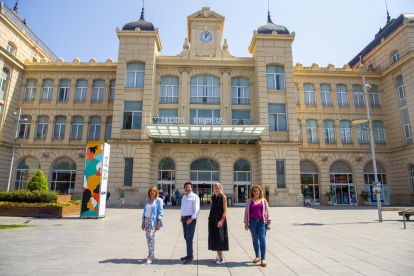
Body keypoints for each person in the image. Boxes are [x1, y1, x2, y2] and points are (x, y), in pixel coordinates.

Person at [244, 185, 271, 267]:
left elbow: (267, 211)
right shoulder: (249, 201)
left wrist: (269, 222)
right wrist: (246, 222)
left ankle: (263, 258)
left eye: (257, 190)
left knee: (262, 239)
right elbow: (246, 212)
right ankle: (257, 256)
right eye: (254, 190)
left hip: (262, 222)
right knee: (255, 239)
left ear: (260, 192)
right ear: (252, 192)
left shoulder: (264, 201)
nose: (256, 192)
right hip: (252, 222)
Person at [141, 187, 163, 264]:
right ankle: (149, 254)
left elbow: (160, 212)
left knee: (151, 237)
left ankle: (152, 256)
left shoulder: (159, 200)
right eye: (151, 191)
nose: (152, 192)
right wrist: (142, 222)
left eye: (154, 191)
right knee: (148, 239)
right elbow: (144, 211)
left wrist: (158, 223)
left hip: (153, 221)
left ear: (156, 192)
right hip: (146, 221)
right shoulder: (147, 200)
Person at [208, 183, 229, 264]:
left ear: (221, 189)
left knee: (220, 238)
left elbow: (225, 210)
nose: (217, 189)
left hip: (220, 220)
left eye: (218, 188)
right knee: (215, 237)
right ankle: (218, 255)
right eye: (216, 188)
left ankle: (220, 257)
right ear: (213, 189)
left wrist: (221, 221)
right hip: (213, 220)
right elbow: (213, 209)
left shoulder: (223, 197)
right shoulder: (211, 198)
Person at [180, 181, 200, 264]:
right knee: (186, 236)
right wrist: (181, 217)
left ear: (192, 188)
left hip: (190, 219)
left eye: (189, 187)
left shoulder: (195, 197)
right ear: (184, 188)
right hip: (184, 219)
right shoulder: (184, 197)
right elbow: (182, 208)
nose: (187, 188)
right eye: (186, 187)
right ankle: (189, 254)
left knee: (189, 237)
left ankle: (190, 256)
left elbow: (196, 209)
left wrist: (191, 219)